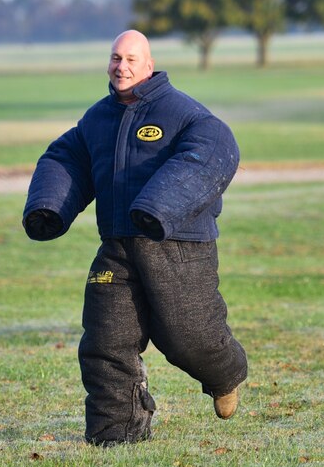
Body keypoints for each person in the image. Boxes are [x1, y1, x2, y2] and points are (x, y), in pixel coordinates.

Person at [22, 30, 248, 445]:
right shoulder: (97, 118)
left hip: (178, 245)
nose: (120, 67)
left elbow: (215, 150)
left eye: (130, 59)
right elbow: (66, 156)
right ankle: (116, 434)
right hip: (118, 245)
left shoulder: (183, 114)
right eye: (114, 58)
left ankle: (225, 375)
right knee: (106, 340)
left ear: (148, 65)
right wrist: (48, 208)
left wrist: (159, 206)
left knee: (188, 337)